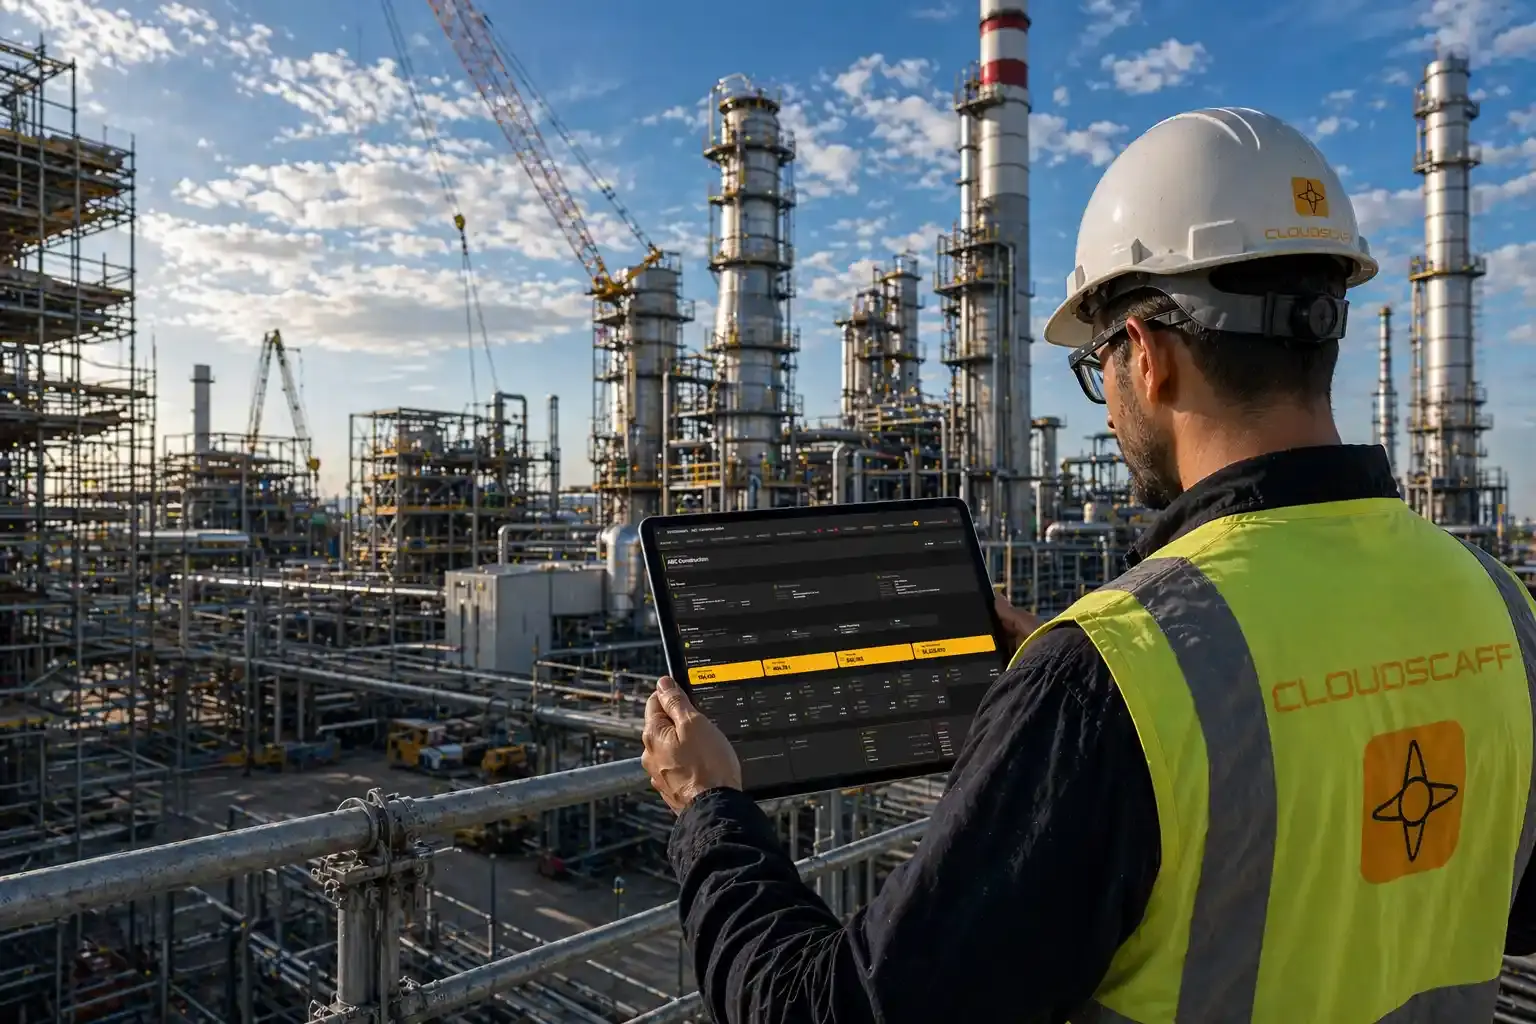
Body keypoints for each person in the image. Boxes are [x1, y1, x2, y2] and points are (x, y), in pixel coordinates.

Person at [640, 107, 1536, 1023]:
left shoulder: (1109, 683)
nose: (1103, 402)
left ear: (1145, 356)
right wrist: (1074, 676)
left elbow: (823, 1012)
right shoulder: (1500, 606)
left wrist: (710, 810)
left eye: (1096, 362)